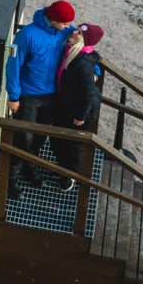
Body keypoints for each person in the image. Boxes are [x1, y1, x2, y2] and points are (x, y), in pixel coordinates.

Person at [7, 0, 76, 187]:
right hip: (29, 95)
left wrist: (94, 71)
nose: (69, 27)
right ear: (52, 19)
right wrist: (13, 96)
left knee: (39, 137)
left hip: (52, 95)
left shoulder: (66, 31)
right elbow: (14, 64)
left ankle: (30, 169)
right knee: (23, 137)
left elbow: (84, 48)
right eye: (65, 23)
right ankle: (10, 179)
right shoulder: (27, 35)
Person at [51, 24, 105, 180]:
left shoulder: (82, 63)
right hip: (69, 104)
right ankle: (63, 167)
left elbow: (88, 94)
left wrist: (81, 116)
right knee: (58, 137)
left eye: (80, 33)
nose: (74, 32)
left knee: (74, 143)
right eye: (77, 30)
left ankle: (70, 175)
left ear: (85, 41)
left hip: (81, 110)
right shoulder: (73, 51)